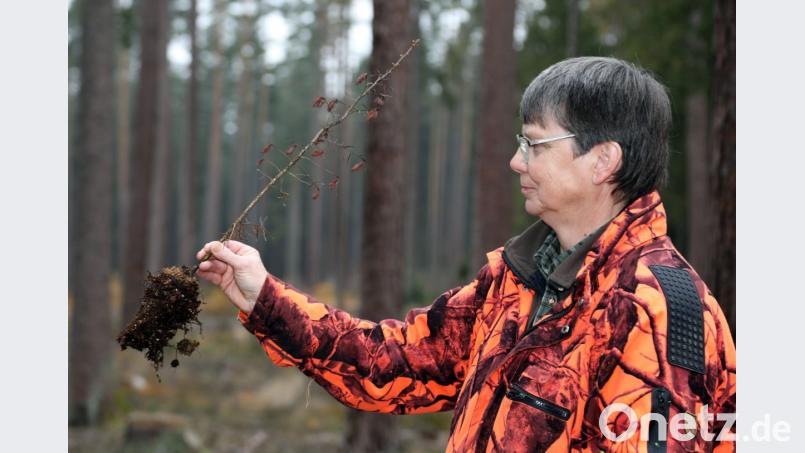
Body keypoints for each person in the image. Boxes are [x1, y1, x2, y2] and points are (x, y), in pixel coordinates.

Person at [196, 57, 736, 452]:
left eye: (534, 144)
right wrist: (264, 297)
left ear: (602, 161)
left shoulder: (659, 312)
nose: (515, 162)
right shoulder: (514, 282)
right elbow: (393, 365)